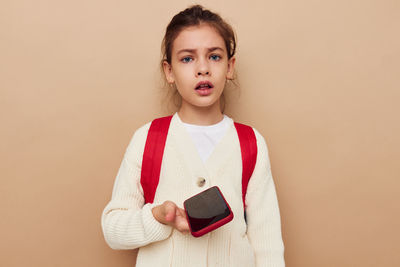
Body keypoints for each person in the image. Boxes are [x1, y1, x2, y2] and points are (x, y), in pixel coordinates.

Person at [101, 4, 285, 267]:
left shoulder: (251, 143)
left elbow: (268, 246)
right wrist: (157, 217)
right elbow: (113, 229)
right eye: (187, 58)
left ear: (230, 66)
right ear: (169, 71)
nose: (202, 69)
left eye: (215, 56)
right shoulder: (149, 139)